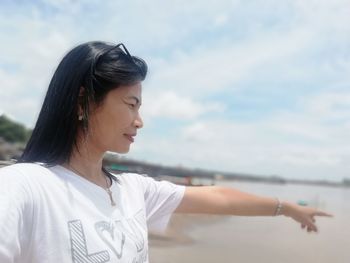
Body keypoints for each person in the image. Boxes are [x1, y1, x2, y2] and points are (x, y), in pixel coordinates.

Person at [0, 41, 332, 263]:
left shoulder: (132, 191)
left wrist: (287, 207)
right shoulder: (23, 188)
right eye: (131, 104)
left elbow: (217, 198)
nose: (139, 121)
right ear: (83, 102)